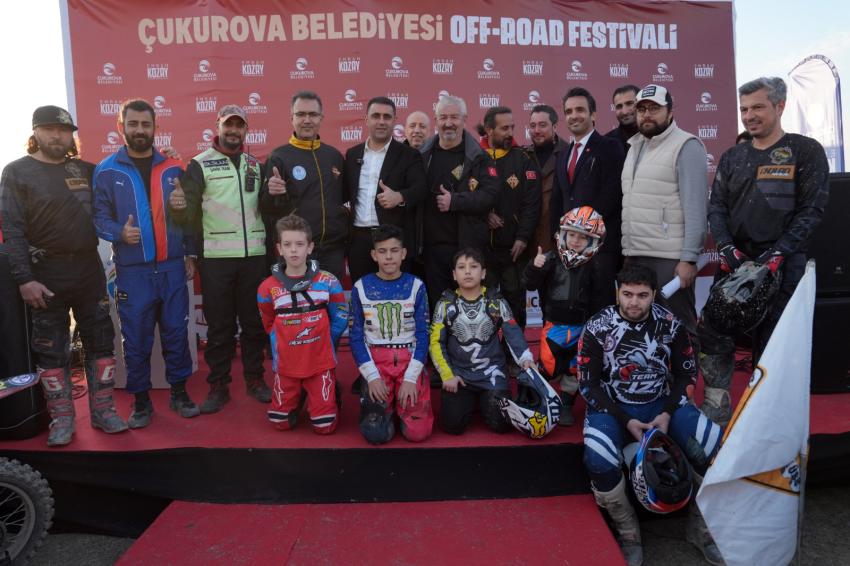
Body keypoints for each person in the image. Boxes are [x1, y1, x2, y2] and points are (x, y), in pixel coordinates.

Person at [699, 77, 829, 425]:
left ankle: (766, 416)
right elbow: (717, 208)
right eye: (744, 109)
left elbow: (811, 210)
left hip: (783, 265)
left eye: (757, 107)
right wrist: (726, 249)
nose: (749, 116)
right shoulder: (733, 156)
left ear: (780, 106)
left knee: (774, 343)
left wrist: (776, 256)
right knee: (712, 330)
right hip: (736, 264)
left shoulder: (805, 150)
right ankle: (716, 405)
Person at [578, 264, 724, 566]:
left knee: (714, 448)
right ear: (617, 292)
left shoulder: (671, 324)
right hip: (612, 407)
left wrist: (668, 412)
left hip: (661, 403)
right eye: (627, 294)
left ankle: (701, 527)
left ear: (654, 294)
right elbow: (587, 385)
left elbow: (686, 375)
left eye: (642, 295)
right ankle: (628, 532)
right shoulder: (596, 327)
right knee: (598, 459)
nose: (634, 302)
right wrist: (625, 420)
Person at [0, 106, 127, 446]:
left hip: (88, 270)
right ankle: (62, 419)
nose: (57, 135)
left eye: (64, 130)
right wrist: (24, 279)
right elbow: (12, 229)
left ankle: (104, 412)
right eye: (50, 129)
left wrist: (167, 158)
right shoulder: (16, 172)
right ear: (35, 132)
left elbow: (122, 177)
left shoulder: (86, 169)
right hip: (45, 274)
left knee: (101, 342)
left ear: (72, 134)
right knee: (51, 351)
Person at [92, 98, 199, 429]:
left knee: (176, 334)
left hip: (171, 268)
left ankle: (179, 394)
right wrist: (118, 233)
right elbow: (98, 217)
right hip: (132, 272)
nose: (140, 130)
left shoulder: (174, 167)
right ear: (121, 127)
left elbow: (190, 217)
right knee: (136, 341)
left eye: (146, 124)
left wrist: (189, 250)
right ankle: (141, 402)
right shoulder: (106, 170)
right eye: (133, 124)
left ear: (155, 128)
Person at [169, 104, 271, 413]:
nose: (233, 130)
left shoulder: (256, 165)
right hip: (216, 259)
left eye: (239, 125)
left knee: (254, 324)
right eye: (229, 125)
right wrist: (178, 207)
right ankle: (218, 385)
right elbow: (188, 215)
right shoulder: (199, 164)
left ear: (246, 130)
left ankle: (255, 379)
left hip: (254, 257)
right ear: (218, 126)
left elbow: (267, 209)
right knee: (219, 327)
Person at [620, 84, 707, 349]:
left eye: (654, 108)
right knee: (642, 332)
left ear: (670, 111)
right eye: (642, 109)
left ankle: (687, 377)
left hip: (670, 259)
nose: (647, 114)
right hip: (636, 252)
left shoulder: (686, 145)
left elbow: (696, 207)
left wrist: (689, 258)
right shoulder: (634, 146)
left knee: (679, 329)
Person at [258, 214, 348, 434]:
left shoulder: (328, 281)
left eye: (299, 244)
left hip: (320, 362)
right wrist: (281, 342)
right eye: (287, 244)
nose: (294, 250)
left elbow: (341, 316)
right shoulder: (267, 288)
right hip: (287, 364)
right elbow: (268, 322)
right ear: (279, 249)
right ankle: (299, 393)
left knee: (324, 427)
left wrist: (326, 341)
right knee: (280, 424)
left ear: (310, 247)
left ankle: (327, 391)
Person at [429, 247, 534, 435]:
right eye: (461, 267)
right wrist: (447, 374)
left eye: (473, 266)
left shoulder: (496, 301)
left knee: (501, 425)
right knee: (453, 426)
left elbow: (513, 332)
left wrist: (525, 359)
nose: (468, 271)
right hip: (459, 375)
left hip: (492, 374)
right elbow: (435, 342)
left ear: (483, 273)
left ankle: (485, 399)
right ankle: (472, 401)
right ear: (454, 274)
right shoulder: (445, 304)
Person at [349, 224, 433, 444]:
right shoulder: (360, 287)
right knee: (376, 435)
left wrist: (411, 378)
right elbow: (356, 337)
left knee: (418, 433)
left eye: (394, 251)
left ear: (403, 253)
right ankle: (385, 407)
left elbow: (423, 334)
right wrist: (372, 377)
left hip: (408, 360)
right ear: (374, 255)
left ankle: (403, 406)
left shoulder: (416, 286)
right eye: (382, 251)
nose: (388, 257)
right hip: (377, 363)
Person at [523, 206, 605, 426]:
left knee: (575, 368)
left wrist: (597, 328)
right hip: (554, 326)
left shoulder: (596, 266)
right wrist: (534, 267)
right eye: (572, 235)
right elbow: (529, 284)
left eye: (582, 237)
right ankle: (541, 399)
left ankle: (566, 404)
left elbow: (600, 299)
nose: (576, 241)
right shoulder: (550, 259)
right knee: (548, 365)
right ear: (562, 234)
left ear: (593, 241)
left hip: (583, 328)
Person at [550, 87, 626, 314]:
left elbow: (613, 194)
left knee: (600, 313)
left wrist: (583, 231)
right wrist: (559, 239)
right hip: (570, 249)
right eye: (569, 111)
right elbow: (557, 200)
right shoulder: (563, 154)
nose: (574, 116)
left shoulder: (610, 147)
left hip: (600, 248)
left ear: (593, 114)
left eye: (580, 110)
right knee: (573, 312)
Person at [418, 95, 499, 307]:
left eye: (454, 117)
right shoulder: (422, 155)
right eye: (443, 117)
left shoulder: (479, 157)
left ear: (464, 119)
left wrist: (455, 201)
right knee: (438, 309)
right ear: (436, 120)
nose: (448, 123)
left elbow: (489, 195)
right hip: (431, 252)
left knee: (470, 308)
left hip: (467, 250)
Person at [261, 91, 348, 281]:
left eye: (313, 114)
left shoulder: (334, 156)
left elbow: (344, 199)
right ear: (291, 118)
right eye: (301, 114)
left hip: (333, 252)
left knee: (331, 300)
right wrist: (271, 193)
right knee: (298, 300)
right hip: (297, 252)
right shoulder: (279, 157)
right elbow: (266, 208)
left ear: (321, 118)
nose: (307, 120)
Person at [343, 97, 428, 284]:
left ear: (394, 120)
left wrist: (399, 196)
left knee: (397, 295)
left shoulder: (409, 154)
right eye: (376, 116)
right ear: (366, 119)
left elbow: (421, 188)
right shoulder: (352, 154)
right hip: (359, 241)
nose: (381, 121)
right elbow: (344, 192)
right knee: (363, 293)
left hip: (394, 240)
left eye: (387, 117)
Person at [479, 105, 541, 329]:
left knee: (514, 302)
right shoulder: (475, 157)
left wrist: (522, 237)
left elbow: (532, 203)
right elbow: (464, 195)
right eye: (504, 128)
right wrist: (484, 214)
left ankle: (515, 348)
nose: (510, 133)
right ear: (489, 130)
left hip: (513, 249)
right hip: (480, 248)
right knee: (482, 304)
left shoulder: (523, 159)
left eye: (512, 127)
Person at [526, 104, 568, 254]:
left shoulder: (569, 154)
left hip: (559, 242)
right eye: (533, 126)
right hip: (526, 243)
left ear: (555, 126)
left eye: (542, 125)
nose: (536, 130)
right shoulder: (523, 156)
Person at [604, 85, 640, 151]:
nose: (624, 112)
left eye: (629, 104)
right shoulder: (605, 143)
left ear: (640, 103)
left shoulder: (655, 136)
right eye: (619, 106)